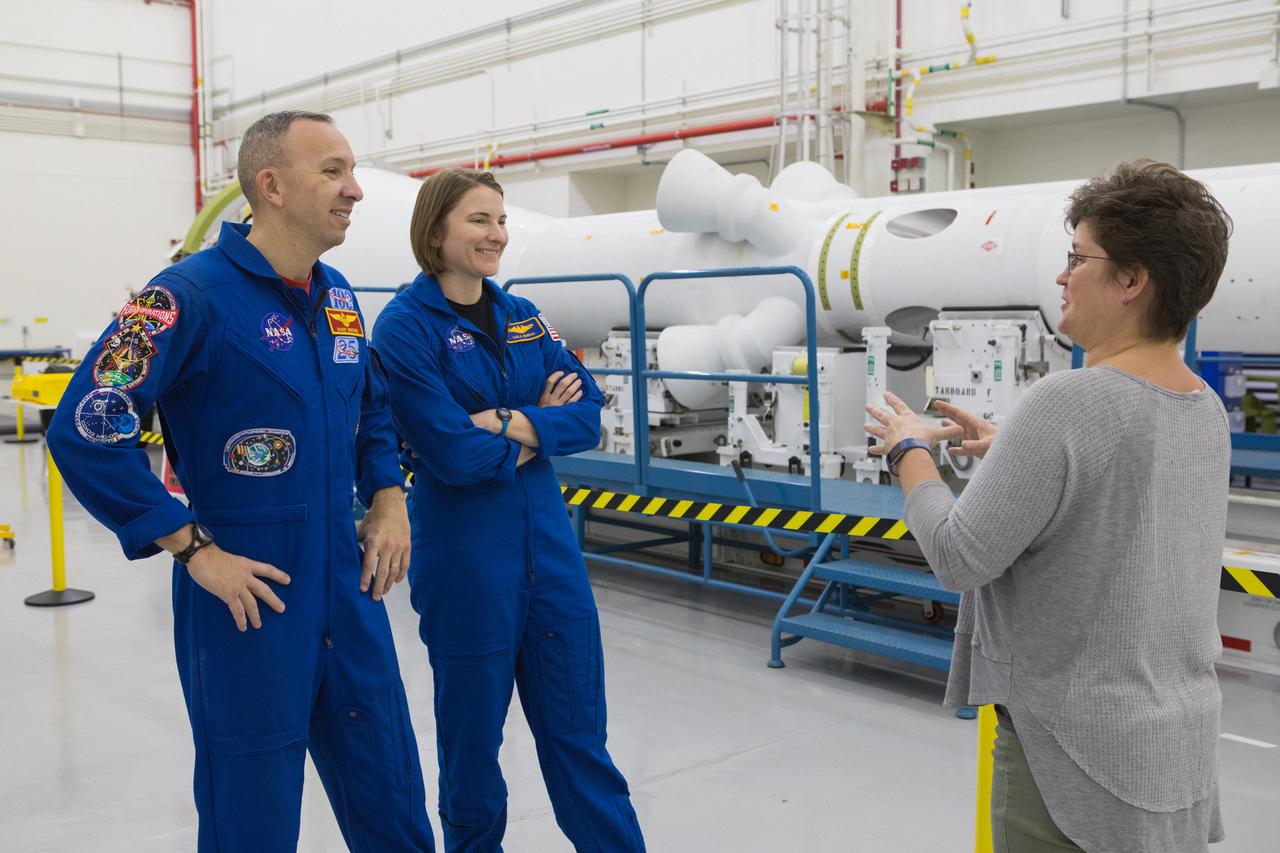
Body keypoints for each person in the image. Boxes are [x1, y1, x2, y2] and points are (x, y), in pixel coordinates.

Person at [47, 110, 436, 852]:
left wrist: (388, 495)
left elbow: (374, 408)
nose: (354, 188)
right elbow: (87, 425)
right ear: (271, 185)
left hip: (350, 600)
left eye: (353, 171)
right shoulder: (182, 298)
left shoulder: (341, 299)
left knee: (394, 805)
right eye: (333, 171)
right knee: (250, 825)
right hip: (249, 608)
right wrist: (192, 548)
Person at [864, 160, 1232, 853]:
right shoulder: (1203, 407)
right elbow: (1128, 476)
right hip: (1177, 741)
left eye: (1078, 258)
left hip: (1074, 754)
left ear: (1131, 280)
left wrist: (907, 448)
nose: (1063, 276)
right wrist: (1014, 452)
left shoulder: (1064, 403)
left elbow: (958, 555)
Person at [371, 168, 646, 853]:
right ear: (435, 232)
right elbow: (451, 457)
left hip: (551, 562)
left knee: (582, 740)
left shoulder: (522, 316)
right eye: (478, 220)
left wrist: (498, 421)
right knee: (472, 754)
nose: (497, 233)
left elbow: (587, 414)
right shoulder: (404, 329)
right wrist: (535, 425)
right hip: (468, 567)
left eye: (500, 220)